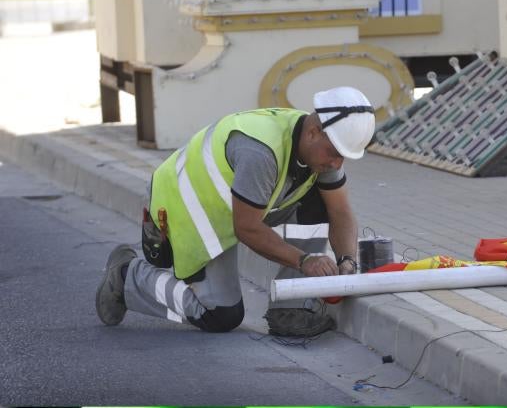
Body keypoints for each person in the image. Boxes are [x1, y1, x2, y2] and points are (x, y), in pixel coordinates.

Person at [95, 86, 375, 336]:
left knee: (318, 203)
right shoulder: (261, 153)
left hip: (236, 207)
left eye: (344, 157)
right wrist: (305, 261)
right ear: (313, 133)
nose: (338, 164)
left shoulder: (318, 146)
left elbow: (340, 211)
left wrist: (348, 261)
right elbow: (247, 228)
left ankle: (292, 308)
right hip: (188, 210)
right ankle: (127, 276)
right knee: (219, 316)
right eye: (334, 153)